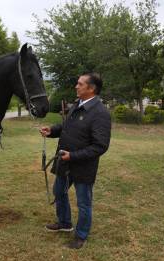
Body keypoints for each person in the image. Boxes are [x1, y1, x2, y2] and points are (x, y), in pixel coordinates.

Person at [39, 72, 111, 249]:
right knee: (59, 191)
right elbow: (66, 127)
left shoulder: (100, 113)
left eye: (80, 84)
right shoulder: (78, 104)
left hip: (83, 167)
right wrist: (52, 130)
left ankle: (81, 235)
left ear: (91, 88)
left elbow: (100, 146)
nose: (76, 86)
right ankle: (64, 223)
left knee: (83, 203)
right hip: (65, 162)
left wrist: (73, 156)